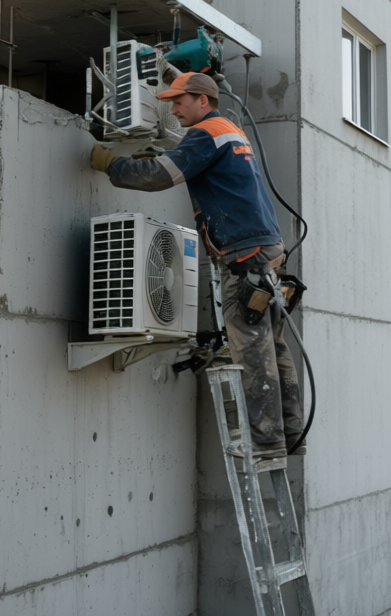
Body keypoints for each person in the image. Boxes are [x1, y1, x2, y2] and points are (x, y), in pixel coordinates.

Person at [90, 71, 304, 461]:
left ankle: (264, 440)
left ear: (202, 101)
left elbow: (159, 177)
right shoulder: (229, 130)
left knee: (251, 349)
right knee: (274, 344)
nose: (172, 110)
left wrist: (111, 164)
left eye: (178, 101)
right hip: (266, 250)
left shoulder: (206, 134)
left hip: (244, 256)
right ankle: (290, 434)